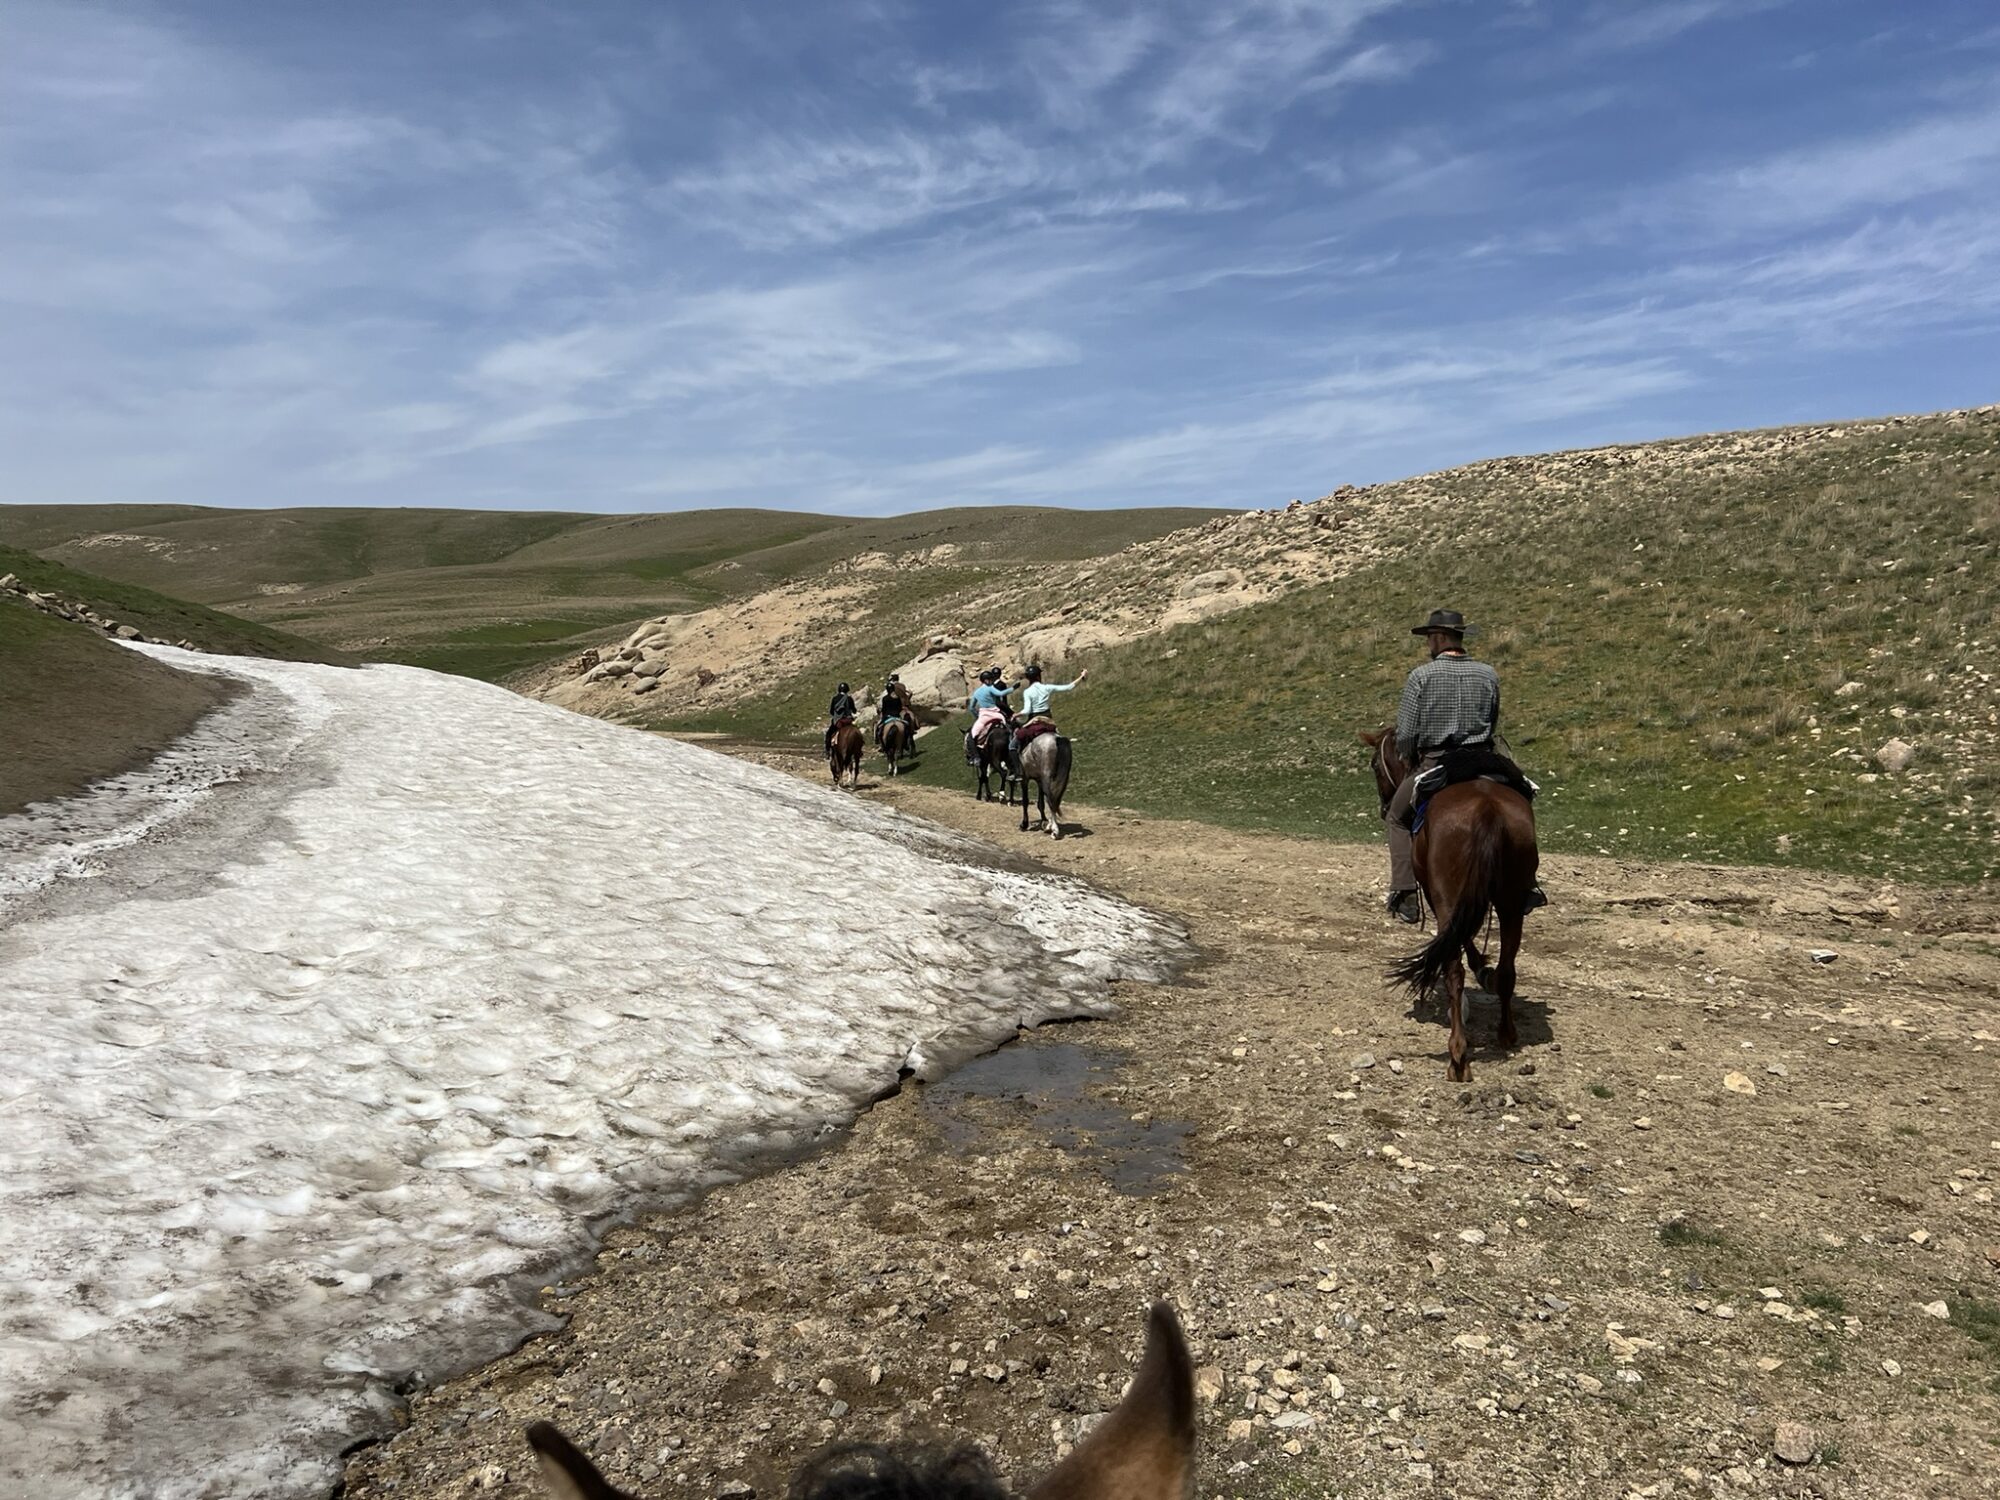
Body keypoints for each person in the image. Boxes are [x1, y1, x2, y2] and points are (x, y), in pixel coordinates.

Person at [1382, 609, 1545, 923]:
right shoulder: (1488, 674)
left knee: (1397, 818)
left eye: (1430, 637)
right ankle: (1526, 882)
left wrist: (1410, 755)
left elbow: (1406, 734)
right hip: (1484, 755)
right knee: (1522, 797)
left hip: (1437, 760)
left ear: (1441, 637)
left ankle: (1404, 891)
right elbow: (1493, 718)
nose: (1429, 643)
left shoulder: (1421, 676)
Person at [1009, 664, 1088, 775]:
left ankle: (1017, 771)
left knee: (1013, 745)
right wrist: (1082, 676)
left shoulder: (1027, 692)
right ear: (1038, 677)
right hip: (1048, 721)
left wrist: (1017, 714)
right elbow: (1069, 687)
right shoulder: (1046, 688)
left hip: (1034, 721)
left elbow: (1027, 710)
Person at [964, 667, 1012, 765]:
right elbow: (1001, 697)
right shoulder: (992, 688)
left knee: (971, 736)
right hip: (997, 714)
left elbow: (971, 708)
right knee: (1010, 728)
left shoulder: (977, 692)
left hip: (984, 716)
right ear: (986, 680)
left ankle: (976, 757)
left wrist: (977, 716)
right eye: (990, 679)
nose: (992, 681)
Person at [875, 673, 912, 749]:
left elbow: (884, 709)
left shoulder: (885, 698)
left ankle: (879, 742)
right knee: (907, 725)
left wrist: (883, 715)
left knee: (878, 727)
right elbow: (899, 707)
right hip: (897, 715)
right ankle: (907, 742)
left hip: (888, 716)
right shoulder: (898, 695)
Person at [824, 680, 857, 757]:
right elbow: (854, 710)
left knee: (828, 734)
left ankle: (827, 750)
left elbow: (831, 711)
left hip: (839, 721)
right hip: (848, 721)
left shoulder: (835, 699)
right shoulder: (849, 699)